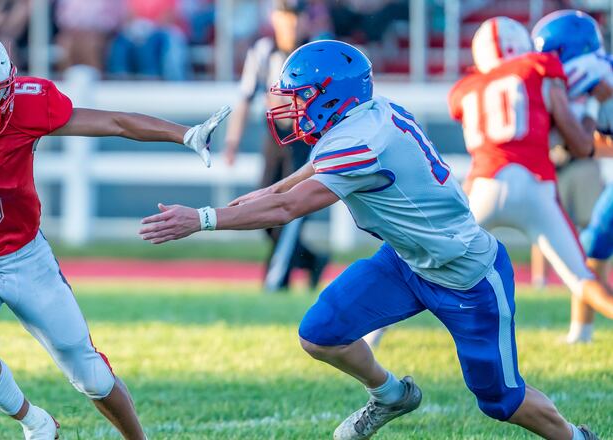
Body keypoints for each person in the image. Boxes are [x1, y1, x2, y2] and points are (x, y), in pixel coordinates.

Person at [139, 40, 599, 440]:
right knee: (320, 334)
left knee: (501, 400)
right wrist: (232, 207)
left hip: (465, 275)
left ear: (331, 95)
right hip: (406, 262)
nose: (287, 106)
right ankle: (391, 395)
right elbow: (286, 187)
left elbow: (289, 207)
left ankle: (575, 436)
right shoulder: (361, 120)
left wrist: (203, 219)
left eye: (298, 96)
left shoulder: (360, 140)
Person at [0, 25, 229, 440]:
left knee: (91, 374)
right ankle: (34, 422)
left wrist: (183, 134)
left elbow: (114, 121)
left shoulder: (27, 105)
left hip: (26, 258)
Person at [448, 16, 613, 345]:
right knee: (585, 266)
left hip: (484, 183)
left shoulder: (469, 87)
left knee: (423, 265)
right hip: (534, 183)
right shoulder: (541, 71)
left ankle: (372, 336)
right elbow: (579, 143)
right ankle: (581, 332)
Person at [223, 0, 328, 291]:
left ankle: (276, 280)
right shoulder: (263, 51)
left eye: (296, 17)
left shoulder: (317, 51)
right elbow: (244, 98)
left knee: (293, 210)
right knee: (263, 209)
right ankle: (312, 260)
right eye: (285, 16)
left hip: (307, 141)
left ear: (306, 20)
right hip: (275, 138)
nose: (291, 23)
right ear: (274, 18)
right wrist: (232, 141)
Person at [532, 9, 613, 342]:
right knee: (593, 244)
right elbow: (592, 142)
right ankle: (581, 332)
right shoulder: (593, 86)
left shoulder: (597, 75)